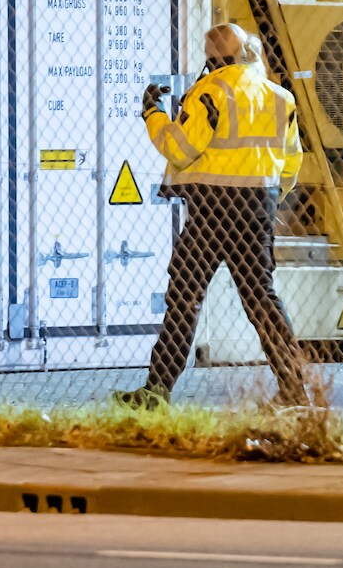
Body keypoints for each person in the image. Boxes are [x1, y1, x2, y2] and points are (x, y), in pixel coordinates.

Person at [116, 22, 308, 408]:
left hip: (211, 210)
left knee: (185, 294)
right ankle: (294, 388)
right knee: (261, 298)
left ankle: (157, 390)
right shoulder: (281, 98)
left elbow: (180, 149)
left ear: (213, 60)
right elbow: (291, 164)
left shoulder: (210, 92)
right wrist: (269, 200)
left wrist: (151, 113)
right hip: (258, 209)